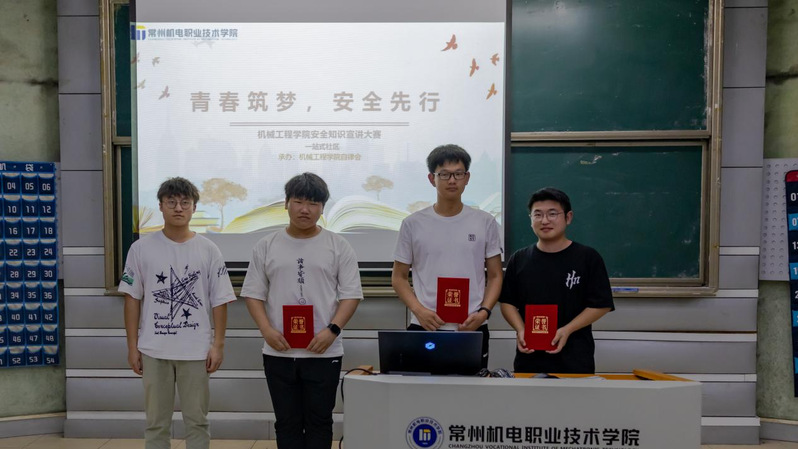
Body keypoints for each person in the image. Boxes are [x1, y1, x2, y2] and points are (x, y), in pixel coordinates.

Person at [241, 172, 363, 449]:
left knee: (320, 421)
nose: (305, 209)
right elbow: (253, 294)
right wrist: (266, 330)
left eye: (313, 203)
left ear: (322, 208)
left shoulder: (338, 246)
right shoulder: (266, 245)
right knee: (287, 422)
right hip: (279, 350)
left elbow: (351, 295)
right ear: (286, 203)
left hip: (323, 350)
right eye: (298, 201)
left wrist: (332, 330)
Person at [121, 177, 236, 449]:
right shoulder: (140, 248)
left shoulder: (208, 249)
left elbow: (220, 300)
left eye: (185, 202)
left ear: (194, 208)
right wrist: (132, 347)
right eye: (171, 202)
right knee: (156, 424)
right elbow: (132, 298)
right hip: (153, 350)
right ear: (160, 206)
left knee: (197, 421)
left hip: (196, 351)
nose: (178, 208)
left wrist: (218, 345)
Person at [392, 144, 503, 368]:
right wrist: (419, 311)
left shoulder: (485, 222)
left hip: (471, 326)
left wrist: (483, 313)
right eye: (444, 174)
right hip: (425, 325)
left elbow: (495, 275)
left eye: (458, 174)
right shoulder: (413, 224)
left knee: (471, 389)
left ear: (467, 178)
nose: (452, 180)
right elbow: (399, 277)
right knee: (421, 387)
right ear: (432, 179)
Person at [499, 187, 614, 374]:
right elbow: (507, 303)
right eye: (538, 214)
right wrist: (521, 330)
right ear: (530, 219)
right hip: (529, 357)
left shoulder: (588, 257)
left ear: (568, 217)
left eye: (552, 214)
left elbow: (601, 304)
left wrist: (567, 329)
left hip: (575, 357)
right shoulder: (519, 259)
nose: (544, 221)